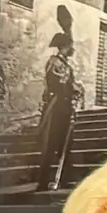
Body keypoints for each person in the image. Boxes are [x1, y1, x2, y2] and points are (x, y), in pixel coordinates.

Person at [35, 15, 82, 192]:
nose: (73, 49)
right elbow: (58, 83)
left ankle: (64, 179)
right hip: (56, 108)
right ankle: (42, 181)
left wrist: (75, 91)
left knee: (66, 144)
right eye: (71, 46)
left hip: (65, 108)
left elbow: (69, 84)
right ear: (64, 47)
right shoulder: (54, 62)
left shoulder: (66, 65)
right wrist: (72, 90)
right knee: (50, 144)